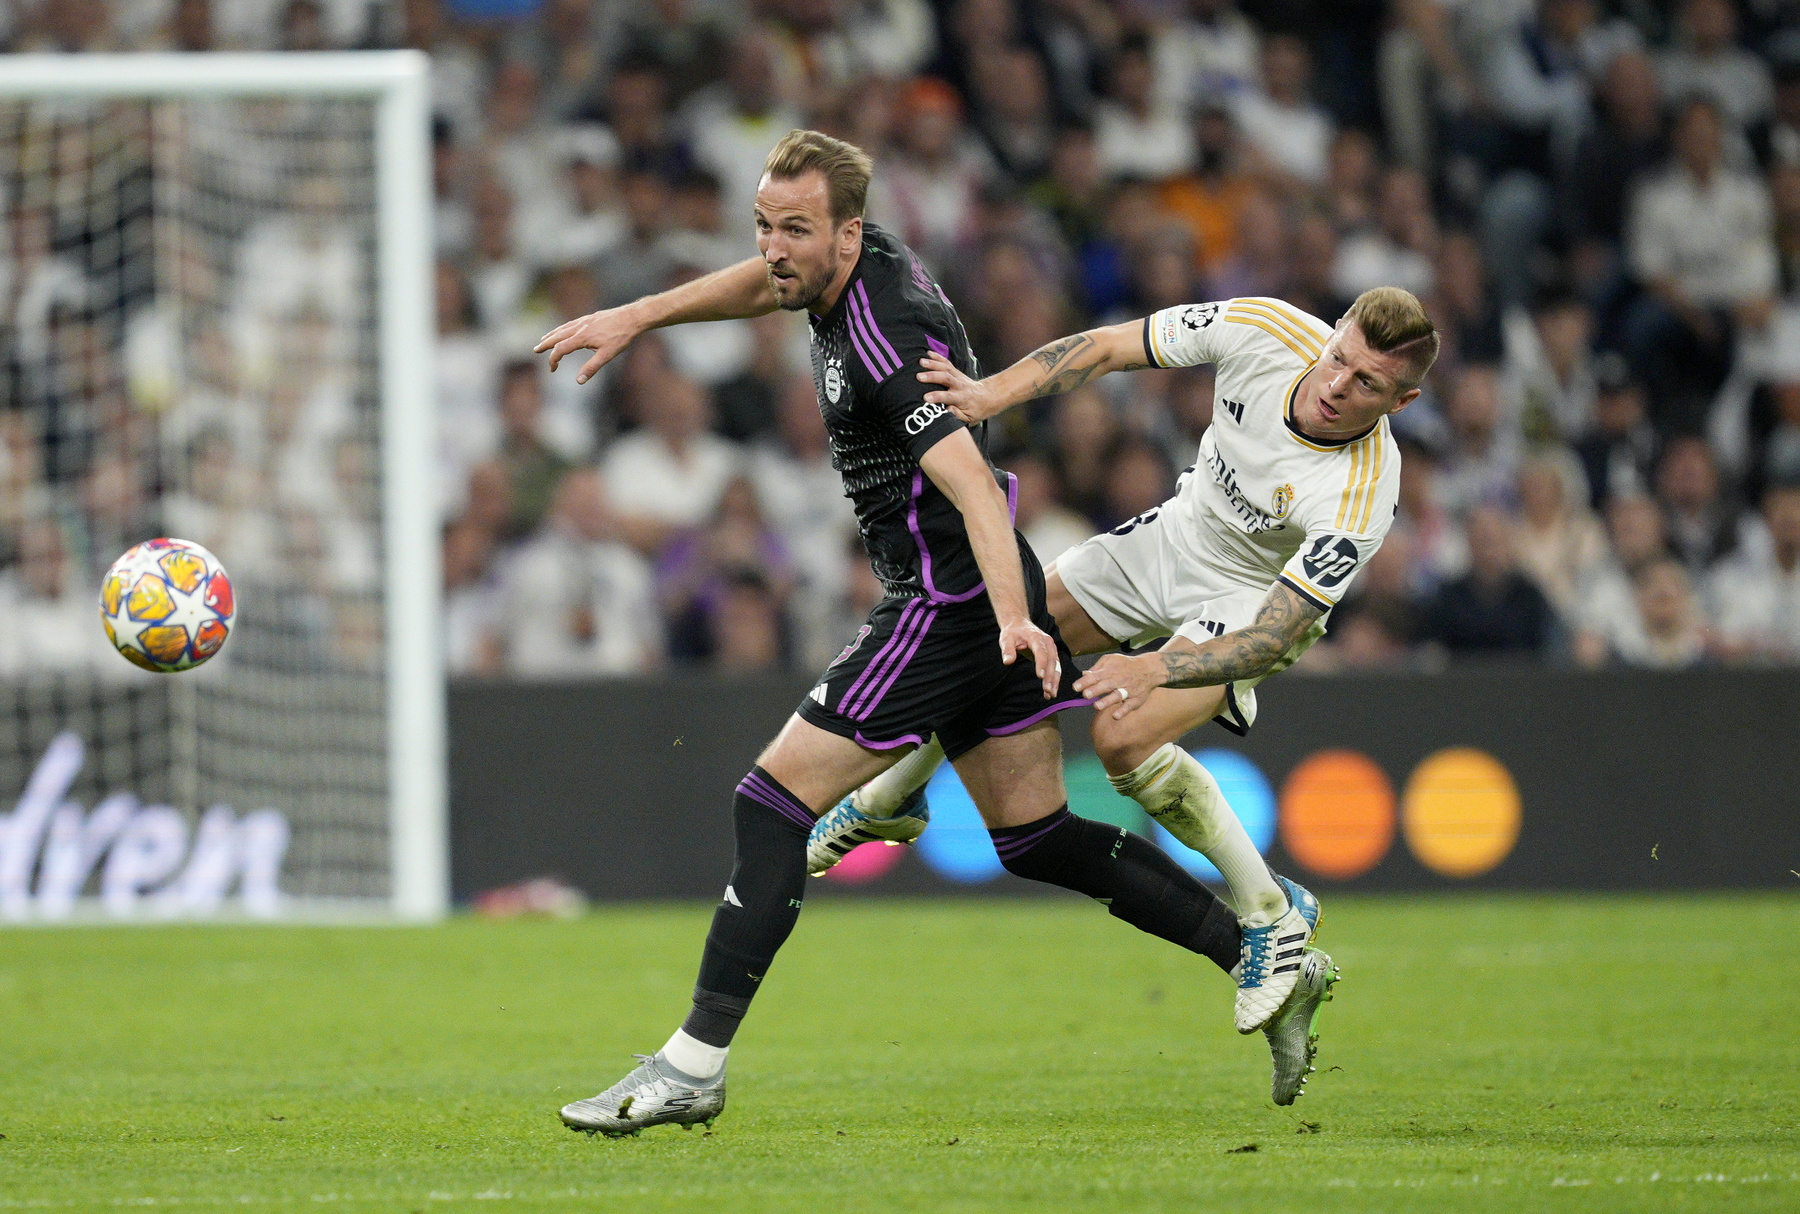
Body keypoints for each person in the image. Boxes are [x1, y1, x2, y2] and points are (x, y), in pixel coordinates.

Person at [533, 130, 1333, 1134]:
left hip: (946, 599)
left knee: (770, 802)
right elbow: (764, 282)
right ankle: (1261, 951)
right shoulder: (841, 263)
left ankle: (692, 1063)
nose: (774, 248)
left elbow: (970, 489)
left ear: (848, 233)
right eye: (765, 226)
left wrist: (1010, 619)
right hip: (970, 596)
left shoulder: (881, 336)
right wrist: (640, 313)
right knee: (1037, 835)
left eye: (794, 231)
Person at [818, 288, 1432, 1046]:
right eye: (1340, 358)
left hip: (1250, 597)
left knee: (1121, 737)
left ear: (1400, 403)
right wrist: (986, 394)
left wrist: (1157, 671)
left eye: (1368, 384)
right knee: (999, 633)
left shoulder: (1363, 492)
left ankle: (1272, 912)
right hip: (1176, 535)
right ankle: (895, 796)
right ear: (1332, 333)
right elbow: (1108, 346)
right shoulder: (1264, 329)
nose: (1338, 385)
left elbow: (1275, 635)